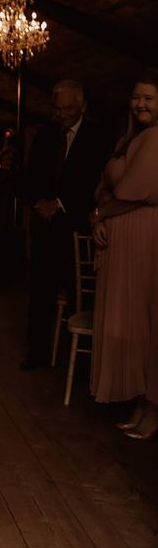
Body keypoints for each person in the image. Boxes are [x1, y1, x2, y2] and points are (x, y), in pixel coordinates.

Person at [21, 80, 111, 369]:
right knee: (40, 292)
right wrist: (38, 203)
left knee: (77, 294)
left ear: (83, 106)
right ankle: (37, 354)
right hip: (44, 226)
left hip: (76, 226)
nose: (62, 115)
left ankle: (80, 363)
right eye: (58, 109)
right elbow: (30, 175)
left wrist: (59, 204)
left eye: (69, 108)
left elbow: (95, 181)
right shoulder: (45, 135)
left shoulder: (99, 136)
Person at [90, 73, 158, 435]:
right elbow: (103, 187)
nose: (140, 104)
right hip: (122, 244)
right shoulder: (127, 139)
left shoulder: (157, 138)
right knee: (130, 326)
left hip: (147, 241)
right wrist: (96, 213)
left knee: (146, 325)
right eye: (136, 97)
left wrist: (102, 212)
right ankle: (138, 400)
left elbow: (132, 190)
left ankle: (153, 410)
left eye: (149, 98)